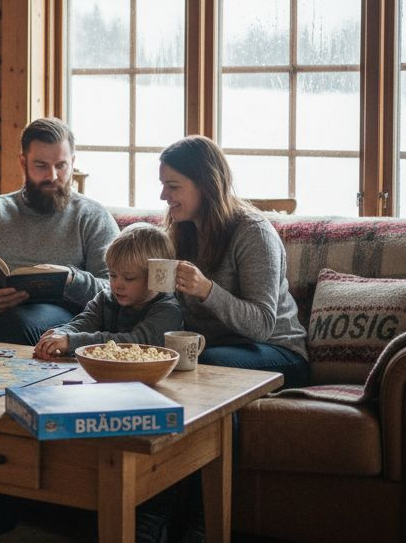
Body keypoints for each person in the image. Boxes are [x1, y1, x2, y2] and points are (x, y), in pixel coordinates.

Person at [0, 117, 119, 346]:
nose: (52, 176)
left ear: (72, 161)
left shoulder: (92, 216)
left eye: (61, 166)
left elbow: (113, 288)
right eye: (41, 166)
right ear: (23, 162)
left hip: (64, 313)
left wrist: (72, 279)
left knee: (18, 324)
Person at [157, 135, 308, 387]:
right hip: (214, 347)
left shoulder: (253, 233)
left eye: (173, 186)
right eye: (162, 185)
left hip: (277, 350)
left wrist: (206, 290)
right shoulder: (182, 229)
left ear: (205, 186)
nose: (163, 195)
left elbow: (262, 325)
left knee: (203, 362)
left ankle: (224, 428)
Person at [33, 223, 182, 359]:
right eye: (112, 275)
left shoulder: (168, 309)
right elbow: (84, 323)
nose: (117, 285)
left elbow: (137, 342)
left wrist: (71, 341)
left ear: (155, 277)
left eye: (129, 278)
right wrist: (62, 334)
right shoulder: (106, 297)